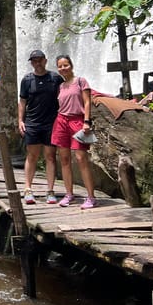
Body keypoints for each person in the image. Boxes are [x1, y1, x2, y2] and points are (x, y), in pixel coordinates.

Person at [51, 55, 98, 209]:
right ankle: (69, 194)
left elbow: (87, 102)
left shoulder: (80, 81)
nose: (63, 68)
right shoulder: (61, 86)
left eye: (65, 65)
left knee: (81, 158)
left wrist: (86, 121)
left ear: (71, 65)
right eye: (60, 66)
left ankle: (91, 197)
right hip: (61, 121)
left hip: (77, 121)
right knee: (64, 159)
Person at [18, 50, 62, 205]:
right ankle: (27, 189)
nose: (37, 63)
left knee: (50, 156)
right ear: (31, 63)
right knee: (32, 156)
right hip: (32, 123)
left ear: (45, 60)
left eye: (40, 60)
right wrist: (20, 120)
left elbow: (64, 96)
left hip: (51, 123)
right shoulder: (27, 80)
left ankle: (50, 191)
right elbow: (22, 102)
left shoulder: (55, 78)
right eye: (34, 61)